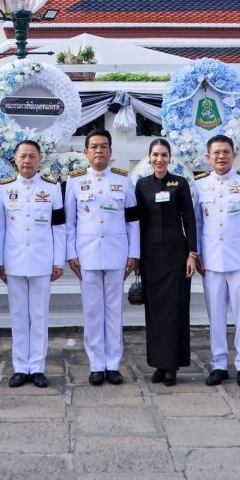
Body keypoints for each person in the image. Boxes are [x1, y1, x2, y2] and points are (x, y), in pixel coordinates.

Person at [65, 129, 139, 385]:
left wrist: (134, 252)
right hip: (87, 255)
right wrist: (71, 253)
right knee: (93, 310)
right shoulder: (74, 181)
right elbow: (69, 223)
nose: (99, 150)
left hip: (117, 254)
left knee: (114, 310)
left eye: (104, 146)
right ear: (85, 152)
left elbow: (132, 220)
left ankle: (112, 363)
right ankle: (97, 363)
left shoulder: (123, 180)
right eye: (94, 146)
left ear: (111, 151)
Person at [194, 134, 240, 387]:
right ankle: (219, 364)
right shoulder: (200, 185)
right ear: (208, 157)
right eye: (216, 153)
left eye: (226, 152)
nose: (221, 156)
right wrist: (197, 253)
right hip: (211, 261)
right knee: (216, 316)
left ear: (234, 155)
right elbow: (197, 224)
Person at [0, 139, 65, 388]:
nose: (27, 161)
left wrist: (58, 261)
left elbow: (59, 228)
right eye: (23, 156)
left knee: (39, 316)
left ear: (39, 160)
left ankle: (37, 367)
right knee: (18, 316)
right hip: (13, 261)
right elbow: (0, 229)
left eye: (32, 156)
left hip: (41, 261)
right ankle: (20, 367)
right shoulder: (4, 188)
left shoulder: (52, 188)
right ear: (15, 159)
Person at [133, 138, 196, 386]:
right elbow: (136, 223)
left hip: (175, 256)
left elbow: (190, 220)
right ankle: (159, 363)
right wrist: (136, 257)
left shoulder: (179, 184)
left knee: (175, 310)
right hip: (150, 257)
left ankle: (173, 365)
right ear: (149, 158)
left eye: (164, 155)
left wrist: (192, 253)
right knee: (155, 313)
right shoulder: (142, 185)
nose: (160, 159)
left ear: (170, 158)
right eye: (155, 155)